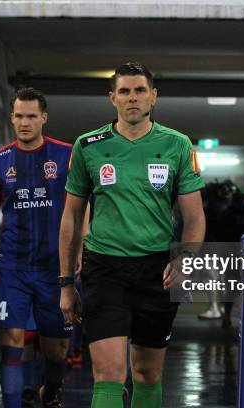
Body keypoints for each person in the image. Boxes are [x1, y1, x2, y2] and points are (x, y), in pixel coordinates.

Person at [59, 62, 205, 408]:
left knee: (146, 374)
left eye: (140, 90)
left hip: (156, 271)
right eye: (124, 91)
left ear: (153, 97)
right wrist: (66, 282)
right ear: (112, 98)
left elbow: (195, 217)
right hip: (104, 269)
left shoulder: (177, 145)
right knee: (108, 375)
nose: (132, 98)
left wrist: (185, 258)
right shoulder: (88, 146)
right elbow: (71, 215)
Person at [0, 87, 73, 408]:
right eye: (19, 116)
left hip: (55, 269)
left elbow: (80, 208)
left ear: (44, 118)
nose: (24, 122)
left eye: (31, 116)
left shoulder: (67, 155)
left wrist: (78, 252)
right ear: (12, 118)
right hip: (13, 266)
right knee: (11, 340)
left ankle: (48, 394)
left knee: (57, 351)